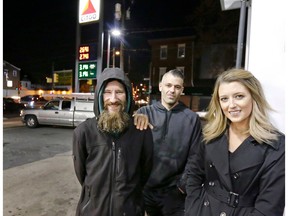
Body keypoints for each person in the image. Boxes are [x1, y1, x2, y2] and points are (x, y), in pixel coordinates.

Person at [185, 68, 285, 216]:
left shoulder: (275, 144)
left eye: (238, 96)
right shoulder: (211, 133)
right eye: (224, 99)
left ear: (254, 97)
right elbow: (193, 174)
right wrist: (194, 208)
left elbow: (270, 206)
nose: (231, 105)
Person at [72, 67, 154, 216]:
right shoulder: (83, 132)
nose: (113, 99)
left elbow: (145, 172)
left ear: (128, 96)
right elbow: (82, 175)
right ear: (99, 96)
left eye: (120, 92)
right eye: (107, 92)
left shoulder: (141, 132)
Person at [136, 69, 202, 216]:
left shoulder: (192, 119)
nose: (172, 90)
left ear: (182, 90)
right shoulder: (143, 114)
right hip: (145, 190)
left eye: (177, 87)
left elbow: (196, 156)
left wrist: (182, 187)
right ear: (160, 86)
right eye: (168, 85)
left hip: (174, 193)